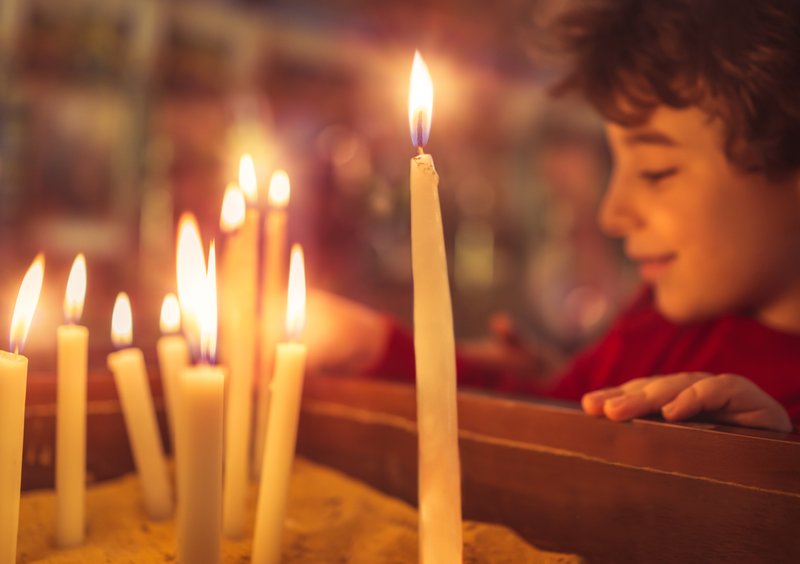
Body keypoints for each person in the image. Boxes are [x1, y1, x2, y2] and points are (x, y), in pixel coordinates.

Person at [306, 0, 800, 434]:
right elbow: (552, 417)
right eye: (616, 166)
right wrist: (374, 346)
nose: (612, 213)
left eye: (656, 172)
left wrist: (770, 463)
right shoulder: (655, 324)